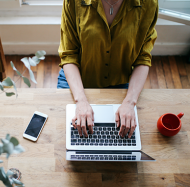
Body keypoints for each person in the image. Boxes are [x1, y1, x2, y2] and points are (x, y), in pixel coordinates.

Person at [58, 0, 158, 138]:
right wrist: (81, 101)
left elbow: (143, 57)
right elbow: (69, 54)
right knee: (63, 137)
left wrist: (130, 102)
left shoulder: (149, 3)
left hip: (120, 82)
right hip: (77, 79)